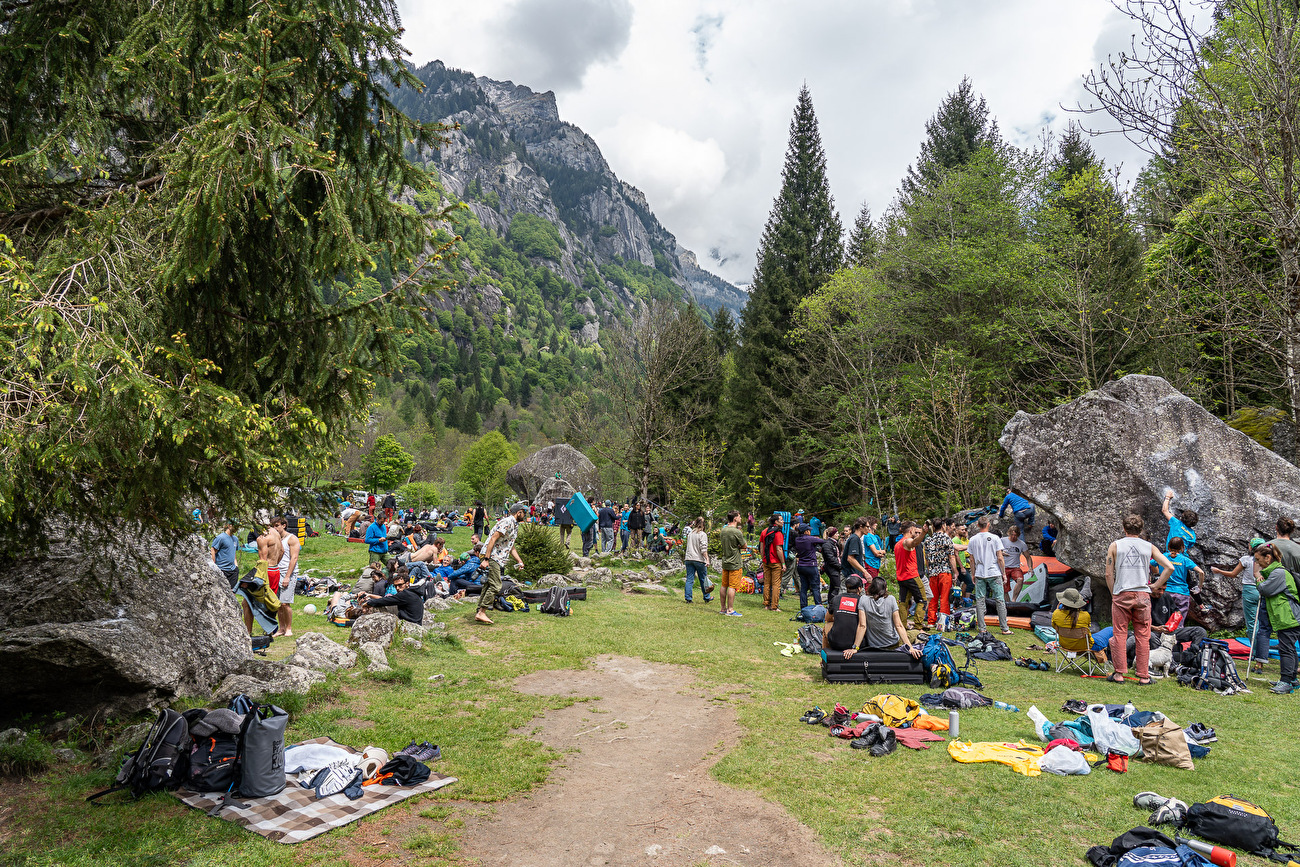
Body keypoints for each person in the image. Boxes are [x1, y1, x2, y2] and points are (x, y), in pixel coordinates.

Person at [1104, 513, 1174, 685]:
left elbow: (1108, 573)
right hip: (1143, 595)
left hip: (1122, 593)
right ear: (1141, 529)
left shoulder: (1115, 545)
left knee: (1119, 633)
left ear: (1124, 528)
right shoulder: (1148, 546)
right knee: (1143, 635)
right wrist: (1156, 585)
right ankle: (1144, 676)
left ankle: (1119, 673)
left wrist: (1114, 593)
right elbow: (1169, 567)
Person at [1214, 537, 1269, 674]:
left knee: (1252, 624)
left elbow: (1233, 574)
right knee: (1263, 625)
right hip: (1264, 589)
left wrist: (1219, 571)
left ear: (1251, 548)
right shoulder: (1268, 561)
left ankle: (1256, 655)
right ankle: (1261, 659)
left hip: (1250, 591)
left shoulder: (1246, 559)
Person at [1255, 542, 1300, 694]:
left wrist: (1258, 580)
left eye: (1258, 559)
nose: (1257, 563)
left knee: (1285, 649)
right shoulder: (1276, 572)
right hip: (1286, 617)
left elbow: (1265, 589)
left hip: (1288, 617)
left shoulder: (1278, 573)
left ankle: (1285, 682)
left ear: (1268, 558)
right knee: (1289, 648)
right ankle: (1292, 680)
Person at [477, 502, 527, 625]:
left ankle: (479, 610)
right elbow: (493, 538)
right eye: (523, 512)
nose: (525, 514)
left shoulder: (514, 525)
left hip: (496, 557)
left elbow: (510, 546)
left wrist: (519, 561)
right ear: (518, 512)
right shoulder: (507, 522)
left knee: (489, 584)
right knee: (496, 586)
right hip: (492, 556)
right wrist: (486, 559)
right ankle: (481, 612)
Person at [968, 515, 1011, 635]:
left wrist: (973, 573)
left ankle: (982, 628)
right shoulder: (995, 538)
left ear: (977, 525)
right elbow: (1000, 557)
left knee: (980, 600)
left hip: (980, 572)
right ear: (988, 525)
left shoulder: (973, 539)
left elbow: (971, 559)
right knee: (1000, 600)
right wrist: (1003, 573)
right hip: (994, 571)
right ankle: (1004, 628)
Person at [923, 518, 959, 628]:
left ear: (933, 527)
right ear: (943, 526)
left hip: (933, 572)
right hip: (945, 571)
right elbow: (951, 556)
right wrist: (955, 572)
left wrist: (929, 570)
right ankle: (943, 621)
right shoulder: (946, 538)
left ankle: (931, 621)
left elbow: (927, 559)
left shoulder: (928, 540)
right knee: (944, 598)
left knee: (933, 598)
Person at [893, 521, 928, 631]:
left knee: (903, 603)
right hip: (911, 576)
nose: (915, 532)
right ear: (910, 530)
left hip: (901, 578)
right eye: (914, 530)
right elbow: (914, 542)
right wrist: (923, 533)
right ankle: (918, 626)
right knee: (923, 601)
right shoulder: (906, 541)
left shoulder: (897, 544)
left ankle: (902, 626)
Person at [1160, 536, 1203, 623]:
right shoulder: (1185, 560)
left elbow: (1151, 563)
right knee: (1178, 622)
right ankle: (1178, 635)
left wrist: (1157, 573)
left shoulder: (1162, 557)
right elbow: (1201, 572)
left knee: (1163, 620)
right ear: (1182, 548)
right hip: (1181, 593)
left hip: (1165, 591)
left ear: (1168, 547)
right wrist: (1199, 587)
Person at [362, 570, 430, 625]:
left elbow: (386, 601)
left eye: (400, 585)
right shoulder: (413, 591)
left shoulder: (405, 594)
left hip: (409, 623)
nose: (397, 588)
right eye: (395, 586)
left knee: (379, 606)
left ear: (407, 584)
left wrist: (369, 603)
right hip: (416, 623)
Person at [1050, 588, 1096, 659]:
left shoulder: (1056, 614)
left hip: (1065, 645)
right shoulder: (1085, 615)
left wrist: (1057, 609)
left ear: (1062, 603)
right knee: (1110, 630)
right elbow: (1087, 626)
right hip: (1084, 646)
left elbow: (1054, 626)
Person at [274, 516, 301, 637]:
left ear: (283, 525)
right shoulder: (276, 539)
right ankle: (282, 628)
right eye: (273, 526)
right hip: (277, 572)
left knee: (285, 603)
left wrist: (287, 576)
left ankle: (289, 628)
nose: (275, 528)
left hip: (288, 573)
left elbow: (294, 558)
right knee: (278, 604)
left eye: (277, 526)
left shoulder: (292, 538)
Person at [718, 511, 746, 617]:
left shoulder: (723, 530)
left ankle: (722, 608)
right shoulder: (736, 531)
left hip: (725, 561)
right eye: (739, 516)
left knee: (724, 585)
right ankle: (730, 609)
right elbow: (744, 545)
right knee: (732, 586)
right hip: (735, 562)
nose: (740, 518)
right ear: (735, 518)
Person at [792, 522, 823, 610]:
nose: (810, 532)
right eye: (809, 530)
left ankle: (803, 606)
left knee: (803, 588)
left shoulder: (797, 539)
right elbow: (822, 541)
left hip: (801, 565)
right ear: (806, 531)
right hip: (811, 565)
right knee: (815, 587)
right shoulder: (810, 539)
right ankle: (818, 605)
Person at [683, 518, 715, 604]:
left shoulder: (690, 534)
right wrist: (707, 559)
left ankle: (688, 598)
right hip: (699, 559)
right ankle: (707, 597)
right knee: (703, 579)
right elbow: (703, 549)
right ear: (704, 525)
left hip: (689, 558)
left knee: (689, 579)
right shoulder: (702, 534)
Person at [759, 514, 786, 611]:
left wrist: (763, 559)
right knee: (776, 584)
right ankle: (774, 606)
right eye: (781, 520)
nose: (783, 522)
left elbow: (761, 547)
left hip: (766, 561)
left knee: (767, 583)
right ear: (776, 522)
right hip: (776, 562)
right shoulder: (778, 533)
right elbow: (779, 549)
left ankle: (766, 604)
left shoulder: (764, 531)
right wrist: (783, 563)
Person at [1000, 524, 1031, 600]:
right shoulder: (1002, 540)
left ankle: (1014, 600)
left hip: (1015, 567)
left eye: (1015, 535)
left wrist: (1030, 567)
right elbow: (993, 551)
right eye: (1012, 535)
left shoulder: (1021, 544)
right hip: (1004, 567)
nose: (1013, 537)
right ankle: (1008, 603)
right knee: (1005, 588)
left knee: (1020, 579)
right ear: (1009, 534)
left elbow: (1028, 557)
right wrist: (1001, 553)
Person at [257, 515, 286, 595]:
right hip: (276, 570)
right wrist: (276, 562)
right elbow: (282, 551)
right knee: (272, 599)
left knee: (256, 600)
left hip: (267, 570)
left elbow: (263, 559)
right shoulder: (276, 533)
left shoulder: (263, 537)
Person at [210, 521, 241, 590]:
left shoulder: (235, 539)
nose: (236, 529)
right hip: (222, 569)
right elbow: (213, 550)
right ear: (229, 525)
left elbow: (233, 552)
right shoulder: (221, 537)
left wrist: (236, 566)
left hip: (233, 570)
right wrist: (213, 565)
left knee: (232, 592)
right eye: (235, 526)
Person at [841, 518, 867, 584]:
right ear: (861, 527)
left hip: (855, 577)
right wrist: (865, 572)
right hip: (849, 577)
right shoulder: (854, 539)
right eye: (867, 527)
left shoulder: (855, 538)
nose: (869, 529)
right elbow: (850, 558)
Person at [821, 526, 844, 599]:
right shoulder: (827, 544)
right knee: (837, 587)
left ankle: (830, 603)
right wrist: (840, 566)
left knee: (832, 586)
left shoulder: (835, 543)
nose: (838, 535)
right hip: (831, 568)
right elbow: (830, 558)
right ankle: (832, 602)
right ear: (832, 534)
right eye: (836, 533)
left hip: (835, 567)